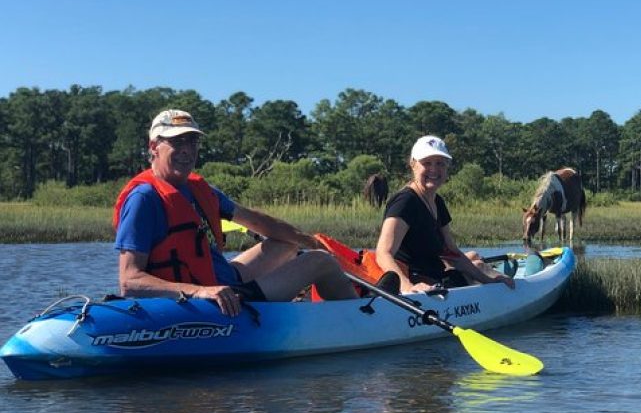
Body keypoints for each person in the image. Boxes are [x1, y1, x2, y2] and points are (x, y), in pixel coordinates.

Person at [113, 109, 359, 316]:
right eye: (177, 142)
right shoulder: (143, 199)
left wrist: (306, 239)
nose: (187, 149)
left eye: (192, 141)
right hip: (210, 298)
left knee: (288, 244)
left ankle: (333, 305)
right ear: (154, 147)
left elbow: (255, 220)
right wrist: (199, 291)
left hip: (224, 279)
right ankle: (360, 320)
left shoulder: (200, 190)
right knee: (321, 262)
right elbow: (130, 281)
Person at [375, 135, 515, 294]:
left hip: (438, 278)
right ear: (413, 164)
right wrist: (407, 286)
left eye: (440, 163)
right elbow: (383, 253)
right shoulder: (405, 202)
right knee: (477, 265)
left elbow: (452, 254)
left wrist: (490, 281)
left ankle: (503, 284)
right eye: (427, 163)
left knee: (477, 264)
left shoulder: (437, 202)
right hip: (419, 288)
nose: (434, 169)